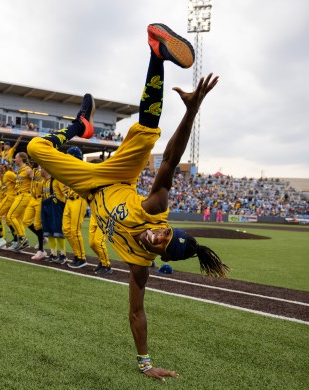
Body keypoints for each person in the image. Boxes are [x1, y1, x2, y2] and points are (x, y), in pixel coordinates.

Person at [27, 23, 227, 380]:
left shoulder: (139, 264)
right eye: (165, 232)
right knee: (148, 134)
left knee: (35, 148)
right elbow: (169, 161)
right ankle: (156, 54)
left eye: (162, 244)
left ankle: (78, 127)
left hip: (90, 187)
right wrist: (192, 112)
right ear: (165, 226)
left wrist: (145, 364)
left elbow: (137, 313)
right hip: (121, 176)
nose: (157, 236)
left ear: (161, 256)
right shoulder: (152, 209)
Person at [62, 147, 88, 268]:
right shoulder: (69, 168)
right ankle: (77, 255)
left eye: (69, 155)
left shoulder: (82, 168)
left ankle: (81, 258)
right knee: (66, 230)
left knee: (75, 230)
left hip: (79, 199)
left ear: (73, 156)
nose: (67, 157)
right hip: (69, 200)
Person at [40, 168, 68, 263]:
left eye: (42, 168)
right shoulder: (44, 181)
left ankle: (63, 255)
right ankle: (53, 254)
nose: (40, 170)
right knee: (49, 231)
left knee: (58, 231)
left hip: (56, 208)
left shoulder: (57, 180)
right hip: (46, 207)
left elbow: (66, 194)